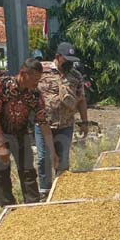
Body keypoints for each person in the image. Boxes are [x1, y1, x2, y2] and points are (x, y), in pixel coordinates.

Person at [0, 58, 57, 207]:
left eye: (39, 79)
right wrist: (1, 146)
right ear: (23, 74)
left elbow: (43, 122)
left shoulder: (34, 94)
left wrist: (52, 151)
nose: (37, 83)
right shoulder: (0, 86)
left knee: (28, 170)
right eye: (35, 79)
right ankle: (7, 208)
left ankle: (32, 205)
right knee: (1, 173)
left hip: (19, 133)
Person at [35, 42, 89, 195]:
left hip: (66, 124)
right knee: (43, 158)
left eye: (72, 60)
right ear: (58, 57)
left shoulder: (76, 76)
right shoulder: (41, 70)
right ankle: (45, 191)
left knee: (63, 158)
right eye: (67, 59)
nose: (70, 63)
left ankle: (62, 190)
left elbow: (81, 100)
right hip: (44, 124)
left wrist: (84, 122)